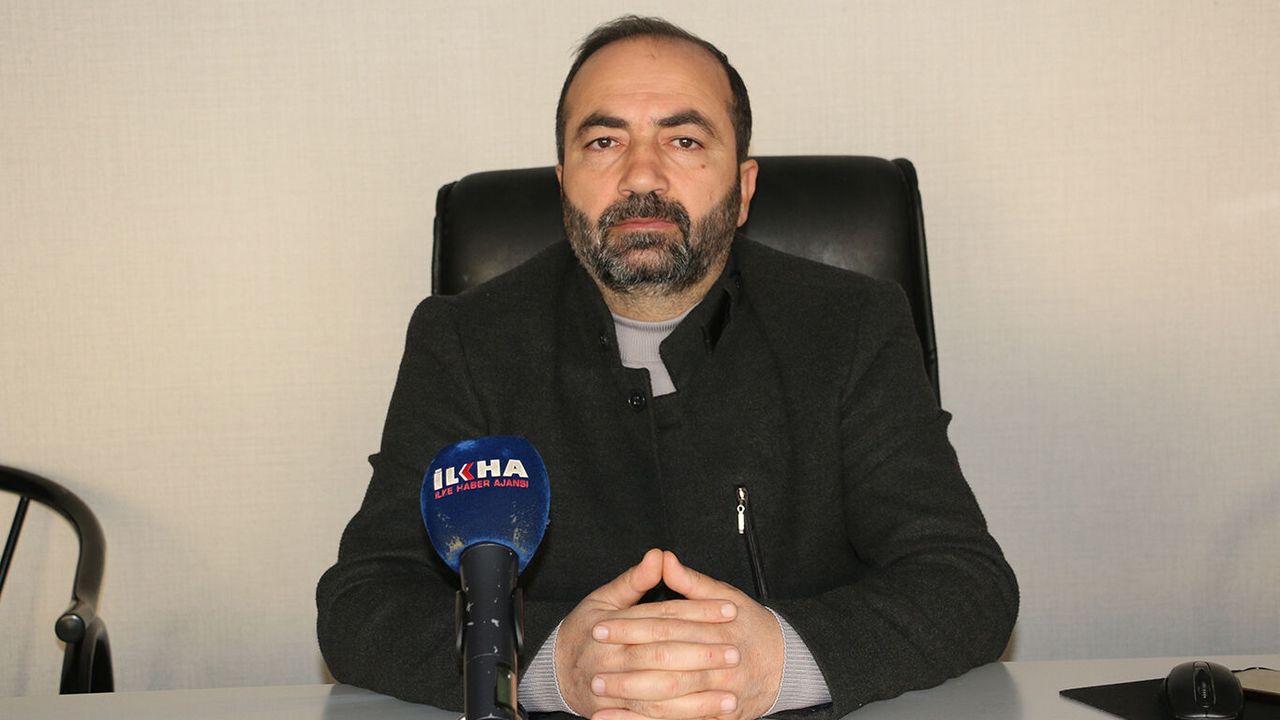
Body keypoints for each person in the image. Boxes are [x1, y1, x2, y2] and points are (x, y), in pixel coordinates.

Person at [317, 15, 1018, 720]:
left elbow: (965, 581)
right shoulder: (466, 342)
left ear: (743, 188)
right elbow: (363, 602)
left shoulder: (852, 325)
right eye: (604, 141)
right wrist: (551, 664)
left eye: (684, 140)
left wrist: (777, 661)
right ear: (563, 183)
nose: (641, 176)